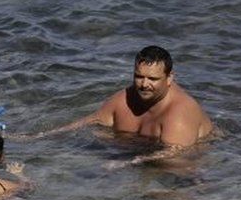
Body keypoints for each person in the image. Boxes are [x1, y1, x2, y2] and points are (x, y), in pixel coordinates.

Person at [40, 45, 213, 164]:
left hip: (183, 168)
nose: (144, 84)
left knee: (174, 173)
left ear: (169, 78)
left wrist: (128, 163)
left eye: (153, 79)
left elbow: (176, 156)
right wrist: (41, 137)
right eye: (139, 77)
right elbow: (91, 121)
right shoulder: (126, 97)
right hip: (138, 154)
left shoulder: (179, 113)